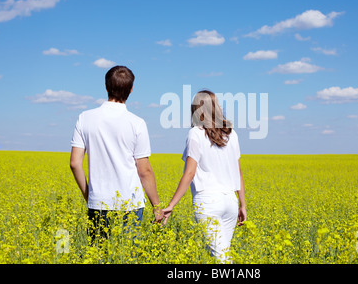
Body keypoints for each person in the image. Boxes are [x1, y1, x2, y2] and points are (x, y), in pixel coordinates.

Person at [69, 65, 162, 243]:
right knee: (125, 256)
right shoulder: (137, 123)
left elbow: (74, 163)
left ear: (106, 87)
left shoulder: (84, 118)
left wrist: (89, 196)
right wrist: (156, 206)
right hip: (130, 203)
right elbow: (144, 170)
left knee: (98, 255)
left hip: (98, 201)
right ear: (131, 89)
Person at [162, 90, 247, 263]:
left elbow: (190, 172)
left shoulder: (195, 133)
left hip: (208, 201)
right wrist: (242, 204)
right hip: (230, 201)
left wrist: (171, 205)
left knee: (222, 259)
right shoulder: (231, 133)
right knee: (220, 256)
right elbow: (238, 172)